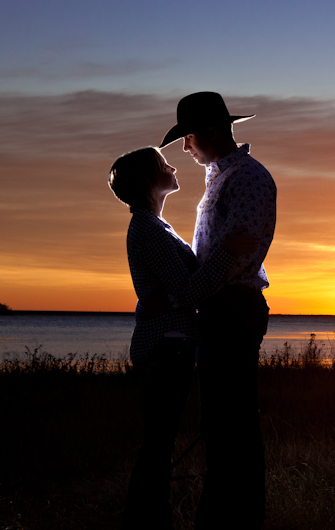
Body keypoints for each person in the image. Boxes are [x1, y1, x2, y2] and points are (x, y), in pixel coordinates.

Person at [108, 146, 258, 529]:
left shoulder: (156, 227)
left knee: (159, 443)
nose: (172, 166)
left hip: (169, 345)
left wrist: (169, 299)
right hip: (165, 348)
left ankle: (147, 519)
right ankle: (147, 522)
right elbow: (189, 292)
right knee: (158, 445)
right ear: (147, 180)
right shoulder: (148, 230)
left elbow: (174, 292)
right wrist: (225, 253)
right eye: (162, 165)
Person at [159, 92, 276, 530]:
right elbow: (219, 253)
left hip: (233, 309)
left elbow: (233, 257)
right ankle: (226, 516)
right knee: (222, 422)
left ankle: (234, 519)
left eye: (187, 137)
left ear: (209, 131)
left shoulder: (246, 178)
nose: (185, 147)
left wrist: (187, 294)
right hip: (220, 311)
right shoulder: (219, 177)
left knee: (234, 425)